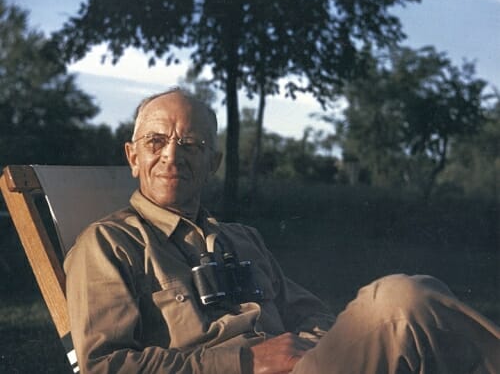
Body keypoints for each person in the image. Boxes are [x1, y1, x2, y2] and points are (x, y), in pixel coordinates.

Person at [64, 88, 499, 374]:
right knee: (402, 303)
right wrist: (245, 360)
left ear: (213, 164)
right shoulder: (108, 245)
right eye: (156, 141)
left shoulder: (240, 238)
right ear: (132, 156)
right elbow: (106, 366)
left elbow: (315, 316)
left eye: (192, 145)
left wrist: (302, 348)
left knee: (411, 313)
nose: (172, 157)